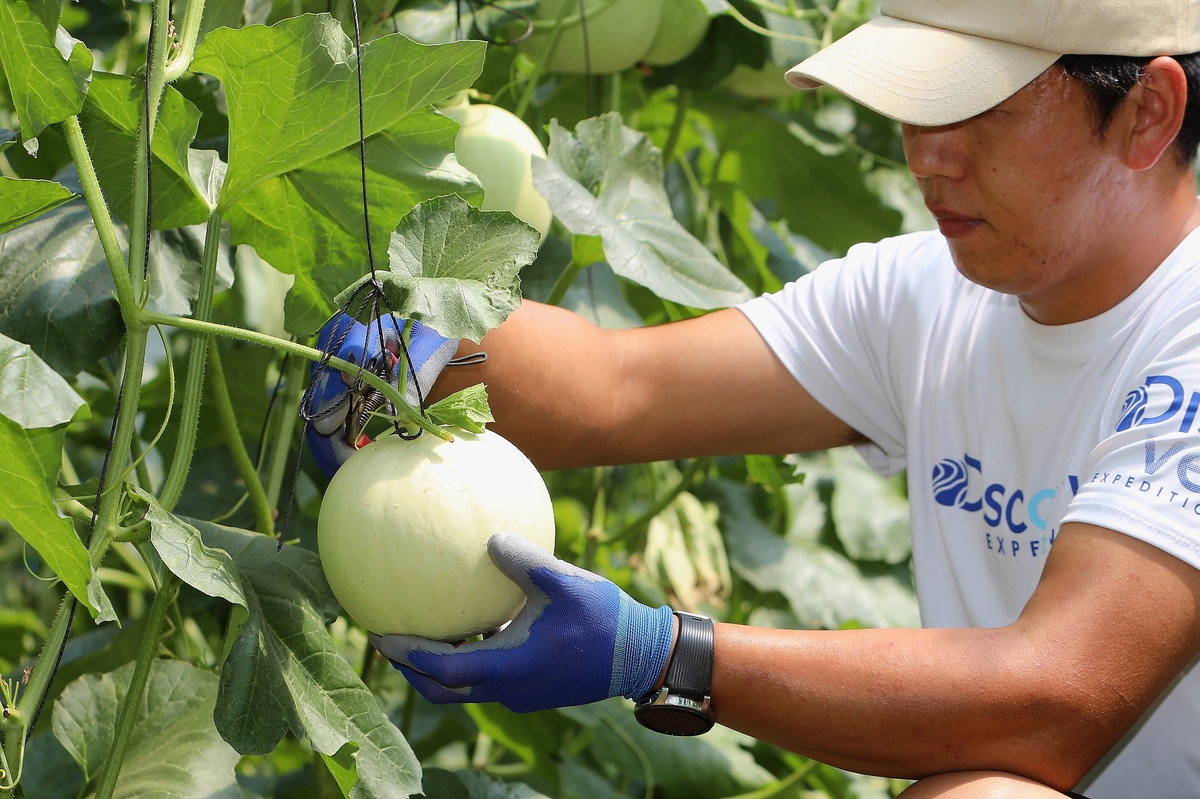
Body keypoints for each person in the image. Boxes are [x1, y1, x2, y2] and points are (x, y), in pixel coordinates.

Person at [310, 1, 1200, 796]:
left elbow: (1060, 697)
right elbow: (622, 387)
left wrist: (666, 656)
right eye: (917, 103)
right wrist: (426, 346)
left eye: (983, 109)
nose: (929, 152)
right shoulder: (925, 294)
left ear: (1148, 114)